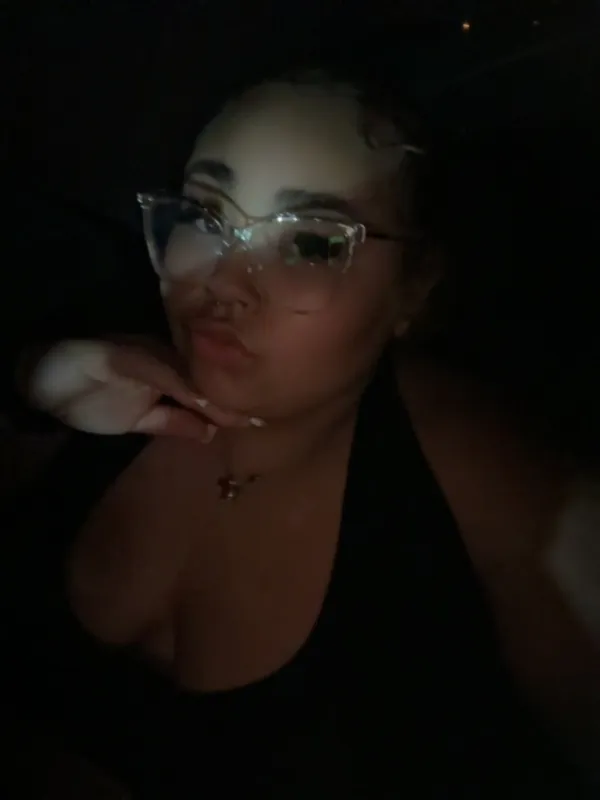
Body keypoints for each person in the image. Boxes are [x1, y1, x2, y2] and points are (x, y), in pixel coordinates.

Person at [3, 58, 599, 798]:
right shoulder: (97, 373)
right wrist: (29, 381)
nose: (220, 281)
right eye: (206, 214)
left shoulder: (491, 475)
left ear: (414, 290)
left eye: (313, 243)